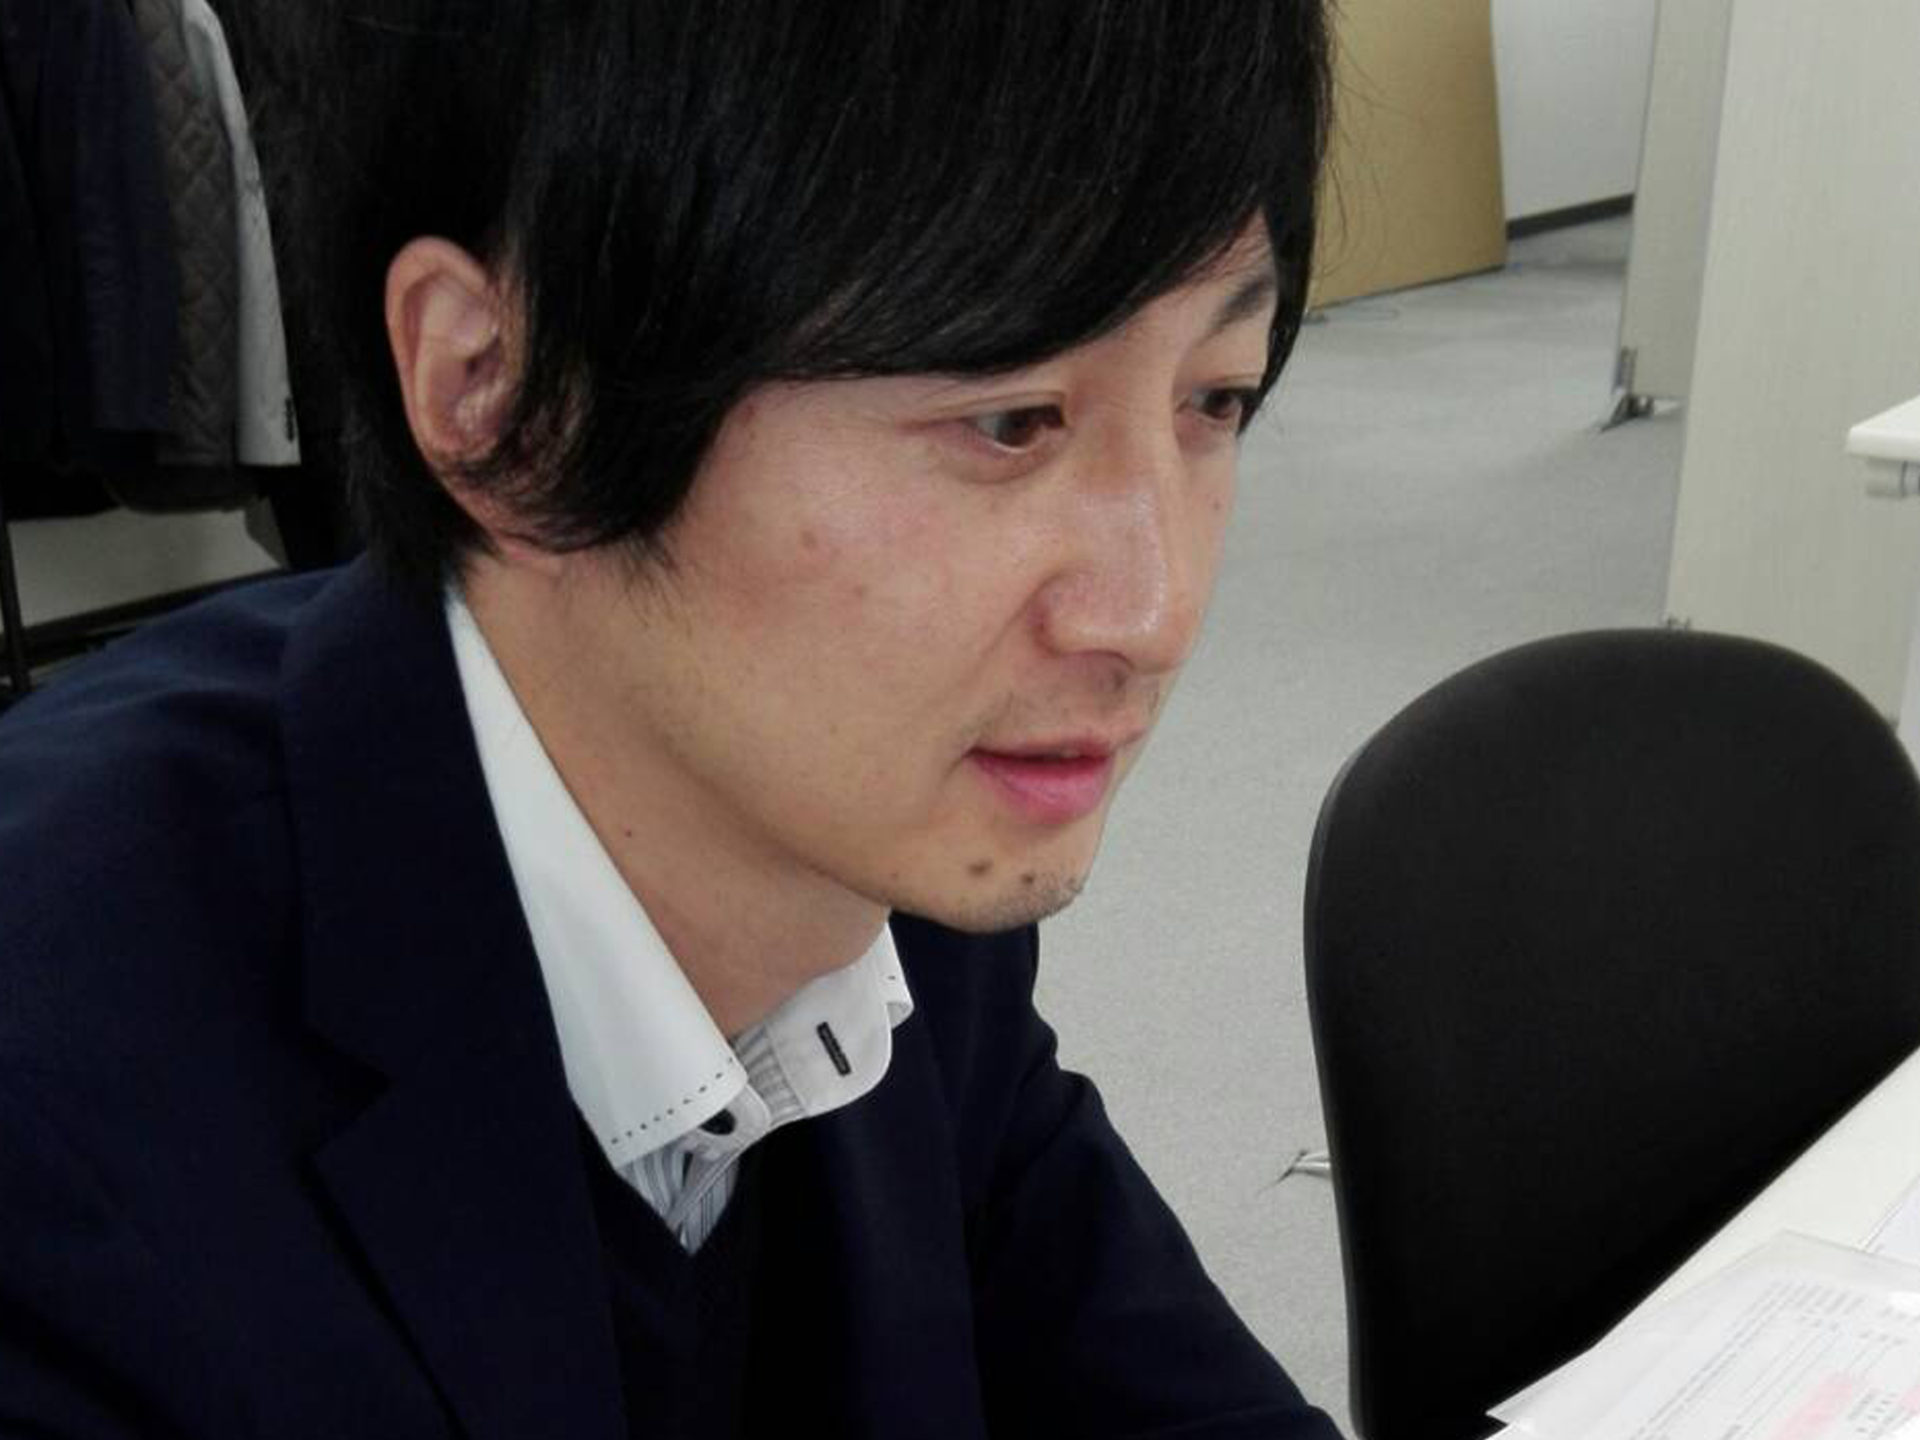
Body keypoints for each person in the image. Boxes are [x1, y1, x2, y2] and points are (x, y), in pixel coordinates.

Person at [0, 3, 1340, 1435]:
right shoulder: (58, 1138)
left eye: (1214, 400)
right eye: (1010, 420)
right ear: (498, 393)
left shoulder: (893, 870)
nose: (1152, 611)